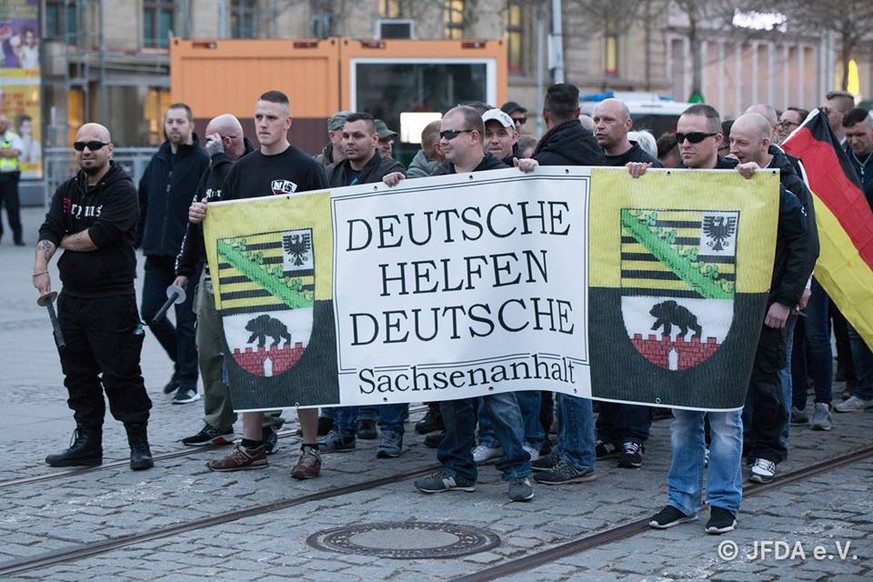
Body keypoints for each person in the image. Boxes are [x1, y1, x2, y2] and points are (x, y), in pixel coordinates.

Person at [631, 104, 807, 534]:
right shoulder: (666, 180)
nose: (686, 145)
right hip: (688, 314)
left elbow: (802, 236)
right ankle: (681, 499)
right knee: (685, 419)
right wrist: (631, 178)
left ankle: (725, 502)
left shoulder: (747, 179)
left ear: (717, 140)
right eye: (680, 137)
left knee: (726, 418)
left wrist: (785, 297)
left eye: (695, 137)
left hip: (734, 316)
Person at [407, 105, 535, 502]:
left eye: (449, 134)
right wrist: (392, 186)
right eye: (441, 135)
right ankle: (458, 469)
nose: (440, 142)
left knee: (500, 396)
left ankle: (518, 470)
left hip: (494, 310)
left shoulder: (505, 176)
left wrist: (534, 175)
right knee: (453, 398)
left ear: (474, 137)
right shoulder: (436, 179)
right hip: (450, 310)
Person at [201, 90, 328, 479]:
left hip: (295, 282)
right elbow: (227, 223)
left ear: (287, 122)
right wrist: (202, 214)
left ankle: (310, 448)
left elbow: (321, 223)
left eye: (272, 117)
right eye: (258, 117)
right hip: (249, 279)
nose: (263, 124)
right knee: (247, 360)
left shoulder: (306, 168)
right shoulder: (241, 169)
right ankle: (252, 444)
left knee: (304, 364)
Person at [34, 123, 154, 471]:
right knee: (78, 374)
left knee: (121, 373)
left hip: (112, 299)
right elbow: (49, 228)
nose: (86, 151)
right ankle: (88, 443)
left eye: (94, 145)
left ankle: (138, 442)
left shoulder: (122, 190)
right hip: (72, 300)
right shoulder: (68, 190)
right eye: (80, 145)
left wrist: (62, 239)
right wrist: (40, 268)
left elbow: (97, 237)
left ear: (110, 149)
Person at [174, 113, 284, 449]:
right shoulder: (211, 169)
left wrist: (218, 157)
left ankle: (265, 424)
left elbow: (238, 200)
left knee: (256, 349)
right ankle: (217, 421)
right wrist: (184, 267)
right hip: (212, 272)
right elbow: (199, 219)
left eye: (211, 140)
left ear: (227, 139)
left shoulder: (253, 165)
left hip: (253, 272)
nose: (205, 145)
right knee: (209, 350)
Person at [521, 84, 600, 486]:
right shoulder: (592, 149)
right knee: (567, 369)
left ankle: (579, 455)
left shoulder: (551, 157)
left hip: (560, 274)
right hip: (582, 270)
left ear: (545, 114)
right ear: (578, 110)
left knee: (568, 371)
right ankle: (569, 448)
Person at [728, 113, 815, 478]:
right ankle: (735, 443)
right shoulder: (723, 174)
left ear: (765, 145)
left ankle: (768, 449)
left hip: (771, 298)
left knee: (767, 375)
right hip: (733, 295)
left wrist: (786, 299)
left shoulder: (790, 181)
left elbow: (806, 245)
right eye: (730, 141)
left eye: (741, 143)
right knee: (731, 373)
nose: (733, 149)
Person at [320, 112, 409, 458]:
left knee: (390, 358)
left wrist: (399, 187)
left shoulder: (391, 173)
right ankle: (344, 428)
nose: (350, 142)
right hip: (345, 281)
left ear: (375, 140)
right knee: (345, 357)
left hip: (385, 283)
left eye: (358, 136)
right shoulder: (331, 175)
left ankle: (391, 431)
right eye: (345, 136)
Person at [137, 103, 209, 403]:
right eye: (170, 121)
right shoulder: (159, 158)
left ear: (191, 125)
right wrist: (140, 237)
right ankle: (180, 365)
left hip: (187, 256)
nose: (174, 126)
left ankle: (188, 383)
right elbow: (143, 199)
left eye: (180, 121)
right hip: (157, 252)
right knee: (150, 312)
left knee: (185, 320)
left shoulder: (202, 161)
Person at [0, 114, 24, 246]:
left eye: (3, 123)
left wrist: (4, 152)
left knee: (13, 208)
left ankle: (18, 237)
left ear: (7, 124)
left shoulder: (13, 137)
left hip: (10, 178)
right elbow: (11, 152)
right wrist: (6, 151)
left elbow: (16, 152)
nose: (0, 125)